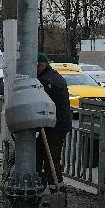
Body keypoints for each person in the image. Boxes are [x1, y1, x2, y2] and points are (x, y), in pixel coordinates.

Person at [36, 52, 71, 187]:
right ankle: (48, 186)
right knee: (43, 155)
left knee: (51, 159)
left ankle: (57, 189)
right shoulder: (52, 76)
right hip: (54, 125)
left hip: (55, 126)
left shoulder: (47, 81)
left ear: (41, 65)